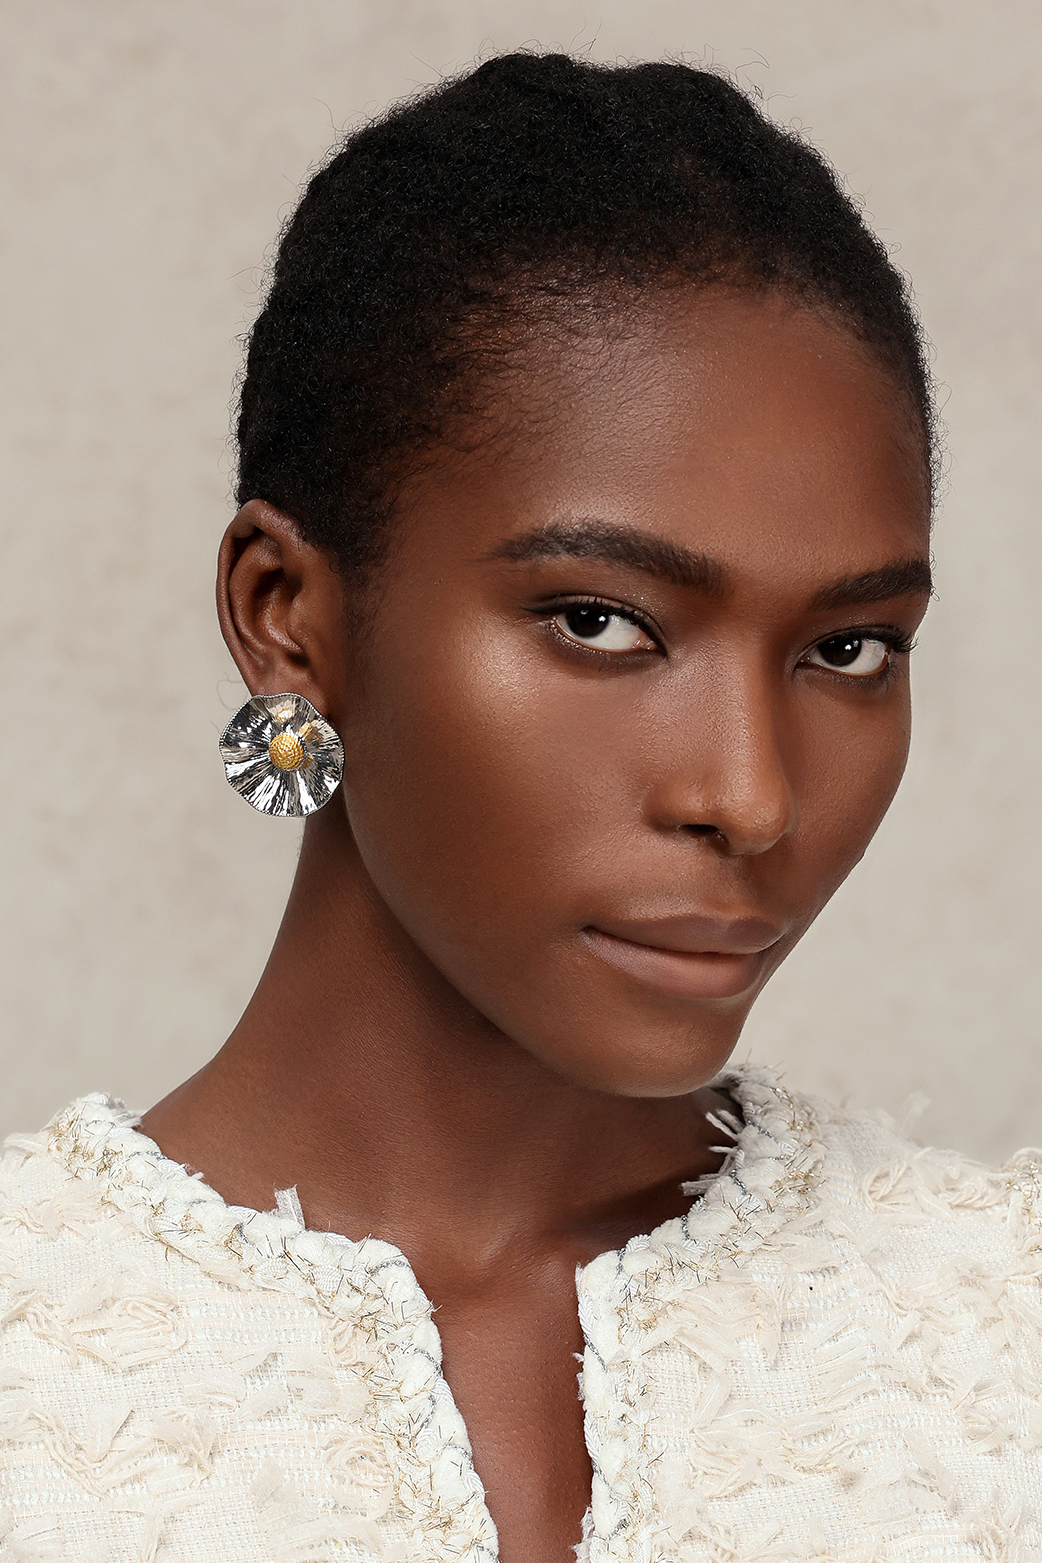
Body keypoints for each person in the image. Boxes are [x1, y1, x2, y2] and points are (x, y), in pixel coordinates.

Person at [1, 49, 1039, 1563]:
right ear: (287, 615)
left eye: (849, 649)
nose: (751, 798)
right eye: (601, 622)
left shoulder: (1005, 1338)